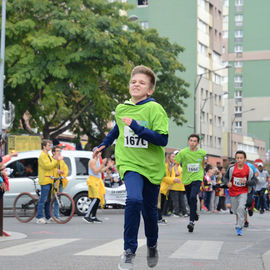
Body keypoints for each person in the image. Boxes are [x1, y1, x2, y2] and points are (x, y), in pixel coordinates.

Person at [93, 65, 168, 270]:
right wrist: (104, 143)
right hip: (129, 163)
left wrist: (137, 126)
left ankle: (152, 244)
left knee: (150, 211)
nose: (136, 85)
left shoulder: (155, 109)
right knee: (134, 199)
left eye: (141, 83)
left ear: (149, 90)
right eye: (133, 81)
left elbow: (162, 139)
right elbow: (118, 128)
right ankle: (129, 251)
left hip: (152, 167)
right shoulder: (121, 108)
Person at [174, 134, 206, 233]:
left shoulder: (202, 153)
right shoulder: (183, 152)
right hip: (187, 179)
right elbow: (176, 164)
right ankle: (194, 213)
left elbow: (202, 165)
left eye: (194, 141)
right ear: (188, 142)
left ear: (198, 143)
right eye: (191, 140)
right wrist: (176, 171)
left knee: (193, 197)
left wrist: (202, 177)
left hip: (197, 178)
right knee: (189, 199)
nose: (192, 143)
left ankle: (191, 222)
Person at [223, 150, 257, 236]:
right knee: (235, 210)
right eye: (237, 158)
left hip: (244, 191)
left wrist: (246, 182)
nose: (239, 160)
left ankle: (239, 226)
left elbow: (254, 181)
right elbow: (225, 178)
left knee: (241, 207)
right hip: (233, 192)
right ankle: (239, 221)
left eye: (241, 158)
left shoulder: (249, 170)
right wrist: (227, 183)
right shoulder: (231, 169)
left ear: (245, 159)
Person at [36, 139, 62, 224]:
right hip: (45, 180)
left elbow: (54, 165)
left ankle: (48, 216)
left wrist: (57, 160)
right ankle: (39, 217)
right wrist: (56, 160)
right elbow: (47, 166)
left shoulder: (48, 155)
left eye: (50, 145)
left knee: (48, 200)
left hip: (50, 179)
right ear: (44, 146)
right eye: (48, 145)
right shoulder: (42, 155)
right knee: (43, 200)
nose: (50, 147)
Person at [83, 150, 113, 224]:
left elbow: (101, 171)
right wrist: (103, 164)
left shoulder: (97, 161)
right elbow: (96, 171)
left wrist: (107, 166)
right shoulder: (92, 161)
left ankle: (93, 216)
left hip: (97, 180)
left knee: (98, 198)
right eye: (99, 152)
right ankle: (87, 215)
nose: (100, 153)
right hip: (93, 180)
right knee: (96, 198)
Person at [52, 145, 69, 219]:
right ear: (53, 152)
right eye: (57, 151)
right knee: (51, 199)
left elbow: (65, 169)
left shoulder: (61, 160)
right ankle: (51, 215)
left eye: (60, 151)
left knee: (58, 199)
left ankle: (56, 215)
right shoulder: (51, 160)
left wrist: (62, 172)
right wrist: (58, 171)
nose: (59, 152)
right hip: (53, 182)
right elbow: (51, 169)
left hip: (60, 181)